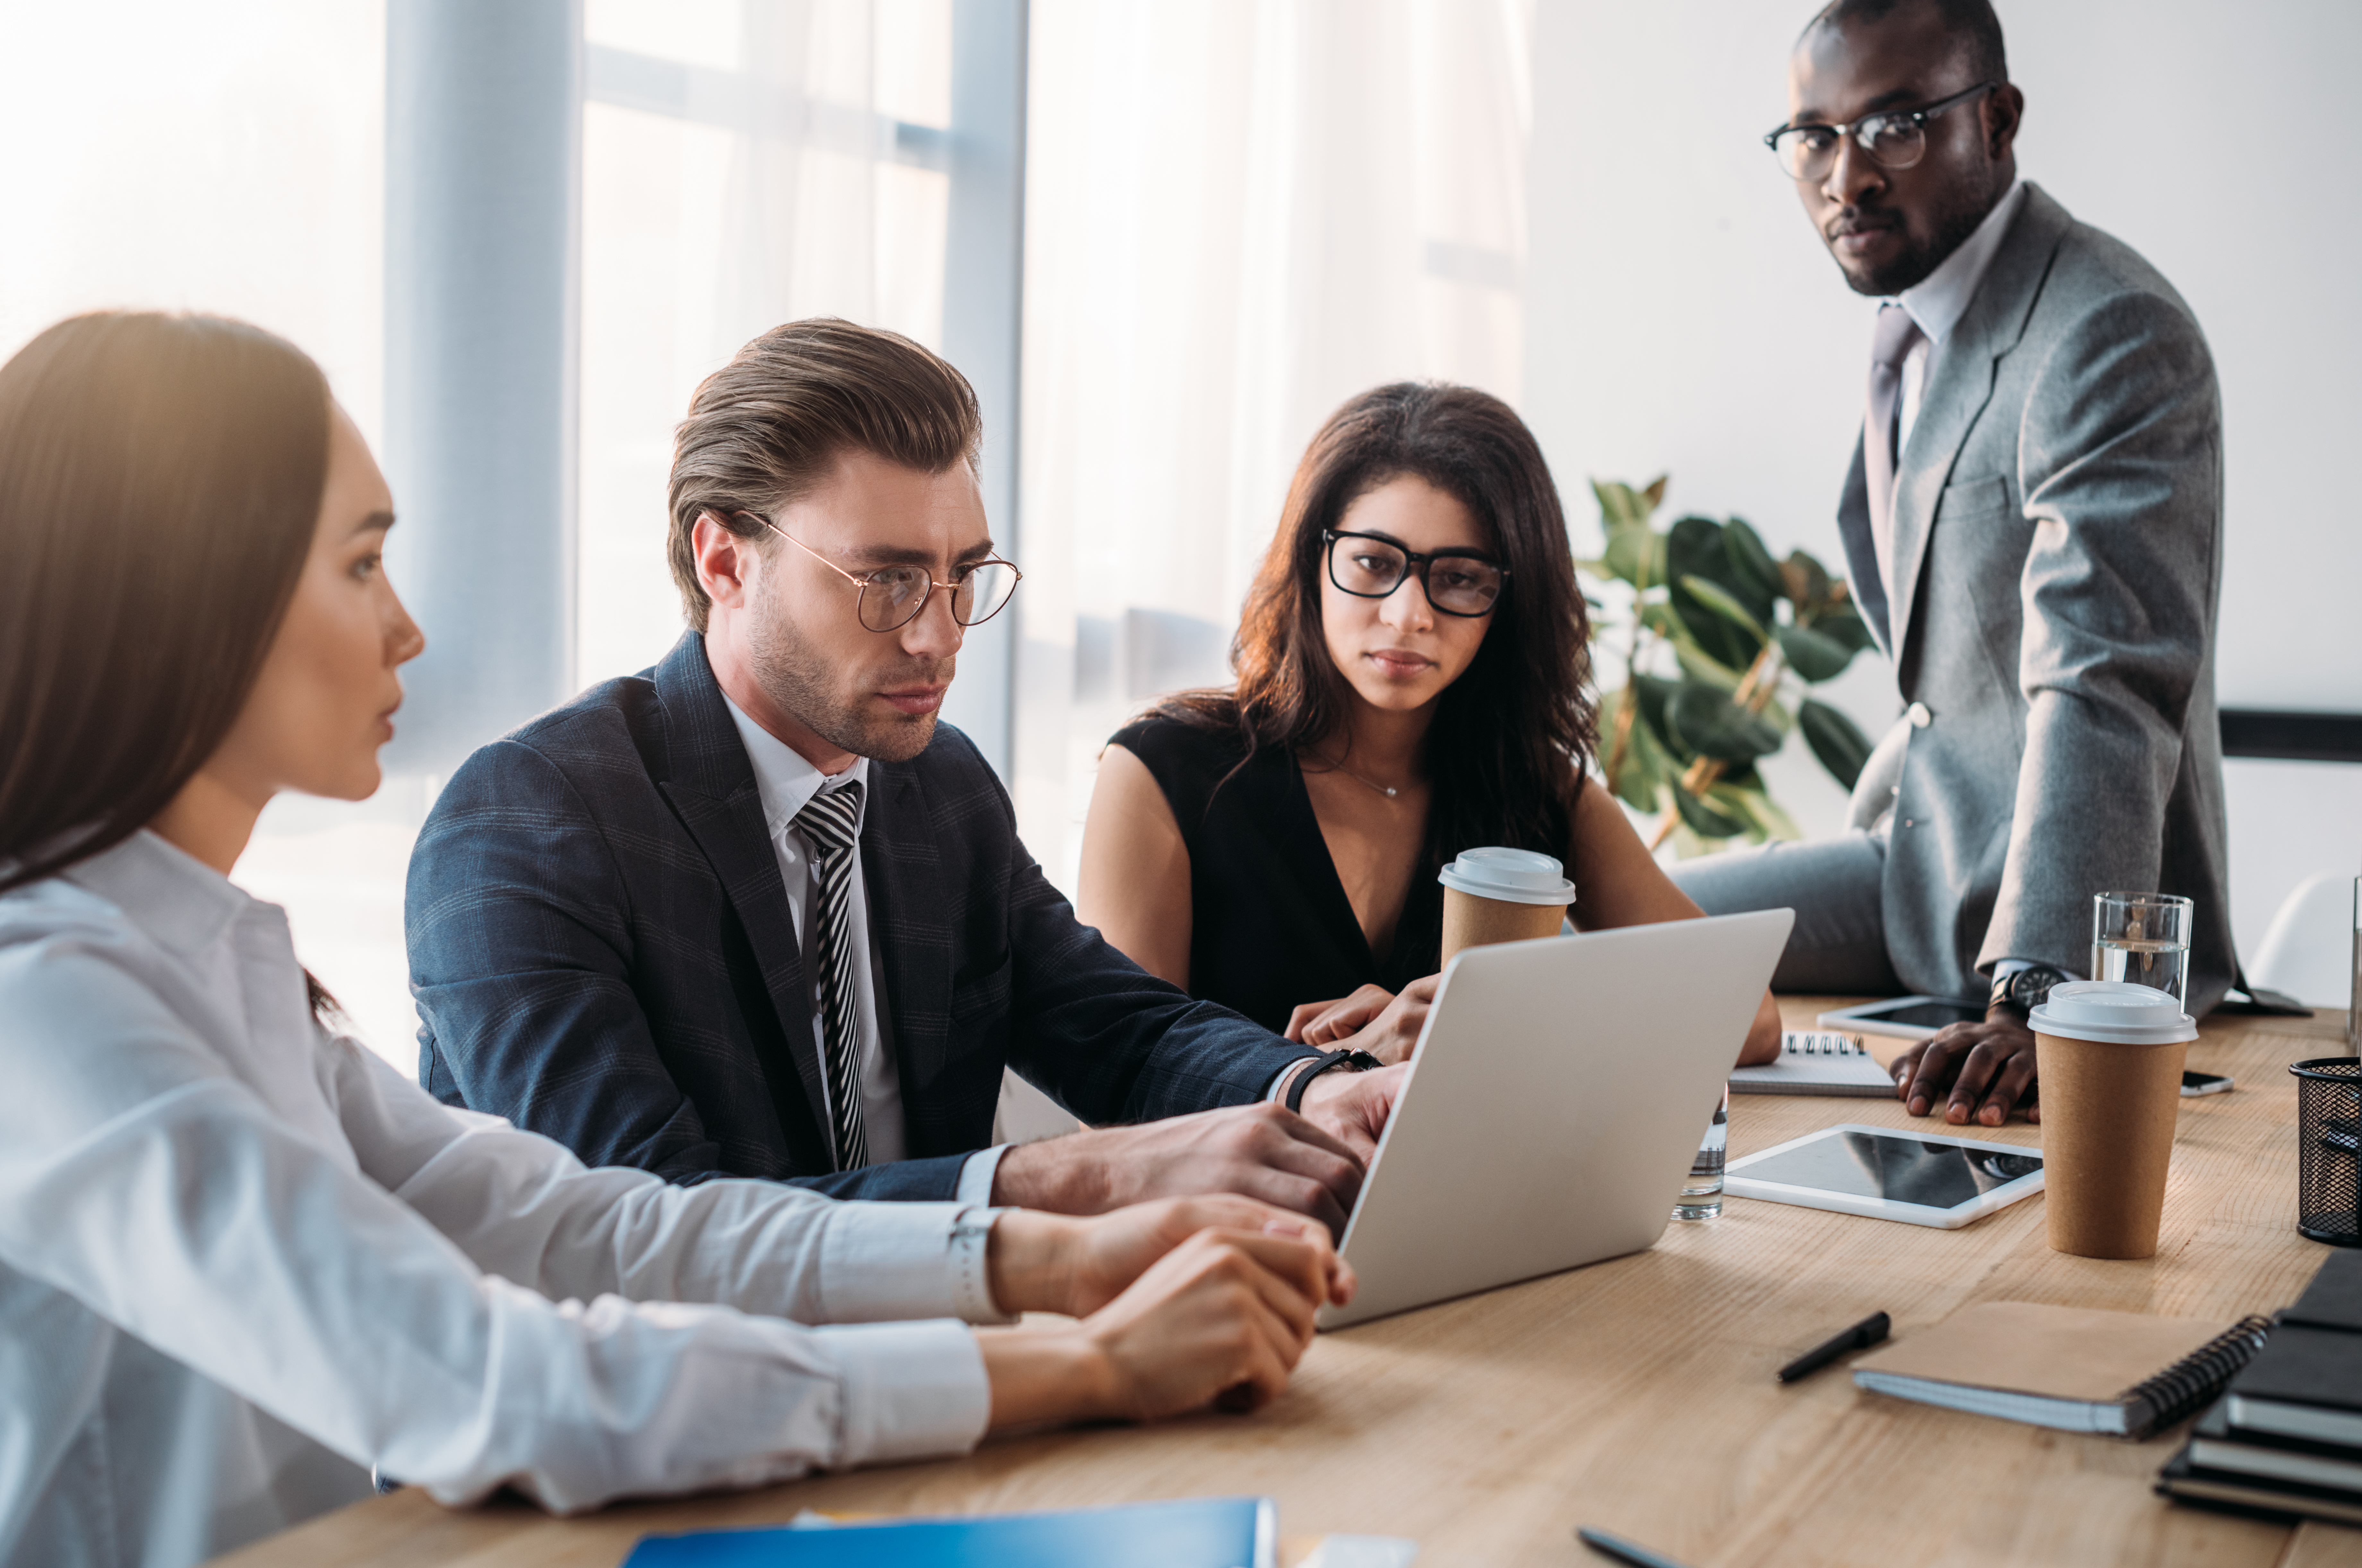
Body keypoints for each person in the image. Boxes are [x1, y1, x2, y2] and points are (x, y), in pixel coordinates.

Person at [0, 311, 1354, 1568]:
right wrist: (1090, 1358)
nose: (409, 625)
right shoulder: (51, 1002)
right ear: (177, 593)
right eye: (361, 563)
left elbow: (597, 1229)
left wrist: (1044, 1246)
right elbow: (505, 1375)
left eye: (959, 579)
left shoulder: (225, 971)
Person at [405, 318, 1401, 1230]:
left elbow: (1117, 1028)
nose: (939, 635)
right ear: (724, 561)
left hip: (947, 1355)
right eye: (885, 580)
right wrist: (1071, 1181)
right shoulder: (528, 822)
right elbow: (648, 1229)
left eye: (962, 574)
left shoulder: (940, 786)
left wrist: (1321, 1090)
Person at [1670, 0, 2237, 1126]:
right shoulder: (1914, 333)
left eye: (1896, 125)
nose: (1848, 175)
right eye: (1814, 137)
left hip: (2056, 926)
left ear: (2000, 119)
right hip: (1913, 871)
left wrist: (2042, 995)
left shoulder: (2107, 331)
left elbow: (2103, 678)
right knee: (1617, 929)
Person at [1076, 382, 1782, 1068]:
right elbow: (1113, 1098)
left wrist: (1500, 1026)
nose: (1408, 613)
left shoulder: (1534, 789)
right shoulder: (1162, 770)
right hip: (1233, 1191)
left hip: (1469, 1189)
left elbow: (1751, 1018)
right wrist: (1331, 1072)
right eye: (1372, 562)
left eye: (1459, 577)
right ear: (1310, 563)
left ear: (1509, 603)